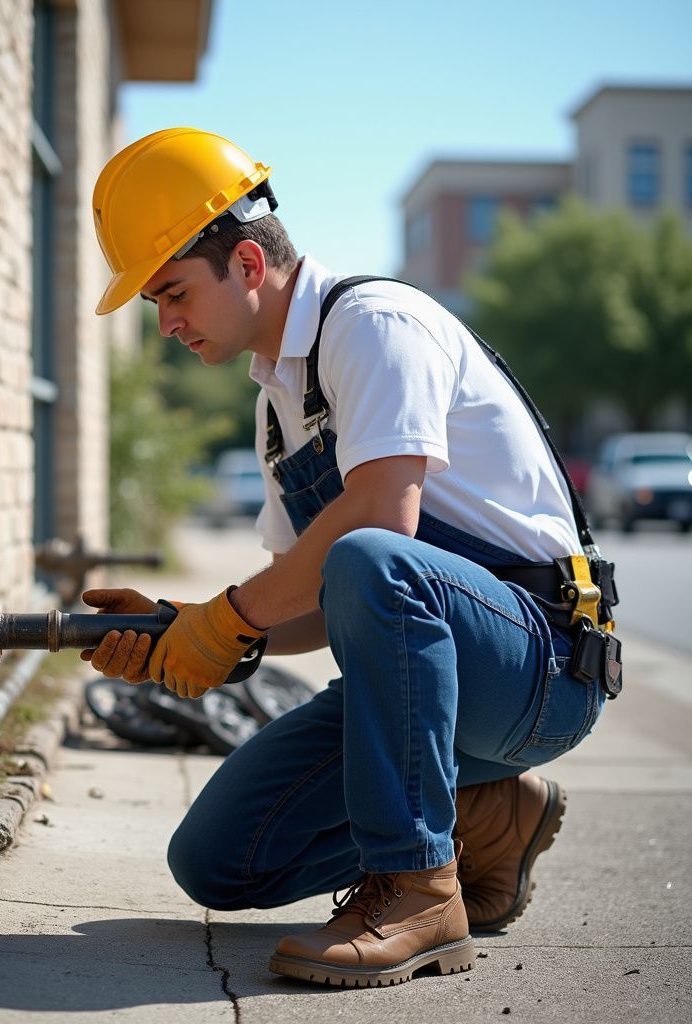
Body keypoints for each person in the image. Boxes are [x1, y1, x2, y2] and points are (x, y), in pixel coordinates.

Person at [81, 127, 620, 988]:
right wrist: (189, 634)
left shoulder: (374, 327)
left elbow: (383, 528)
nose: (167, 322)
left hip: (542, 668)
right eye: (154, 303)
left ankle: (417, 886)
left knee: (372, 553)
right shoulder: (277, 405)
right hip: (426, 678)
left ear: (249, 264)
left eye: (173, 292)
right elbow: (315, 605)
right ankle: (484, 816)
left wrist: (229, 619)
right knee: (218, 860)